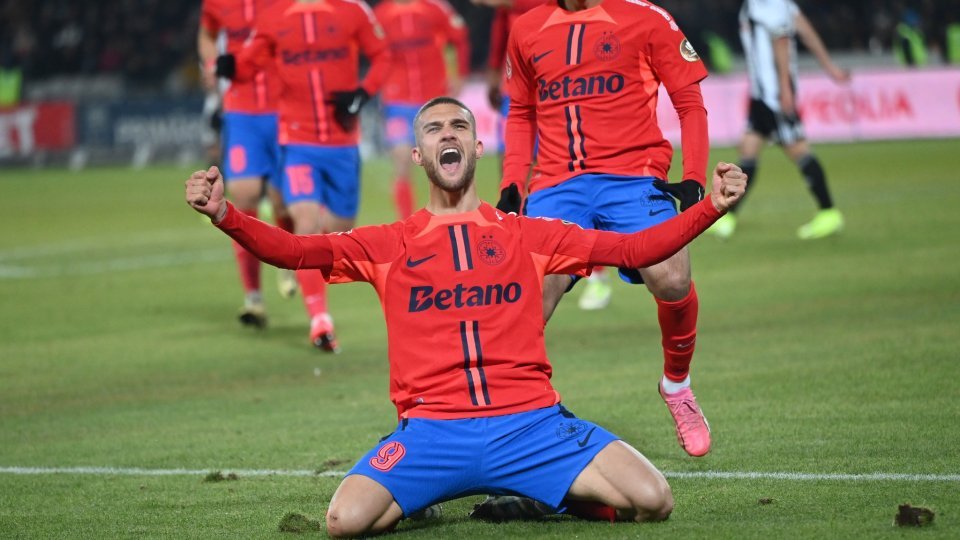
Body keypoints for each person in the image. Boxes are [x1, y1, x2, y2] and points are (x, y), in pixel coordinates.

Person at [185, 97, 747, 537]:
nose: (446, 135)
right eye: (433, 129)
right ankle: (419, 496)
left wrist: (710, 208)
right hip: (432, 433)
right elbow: (294, 251)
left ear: (478, 147)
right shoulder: (388, 244)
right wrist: (225, 214)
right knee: (345, 521)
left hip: (532, 424)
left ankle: (554, 503)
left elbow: (632, 251)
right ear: (418, 155)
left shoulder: (530, 234)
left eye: (458, 127)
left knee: (655, 501)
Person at [500, 0, 714, 457]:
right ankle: (515, 413)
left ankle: (677, 385)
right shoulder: (527, 28)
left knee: (673, 278)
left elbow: (690, 104)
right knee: (528, 298)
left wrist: (695, 178)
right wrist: (511, 184)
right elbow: (521, 113)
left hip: (632, 176)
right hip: (557, 184)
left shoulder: (647, 18)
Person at [215, 0, 392, 351]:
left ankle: (298, 257)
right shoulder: (274, 16)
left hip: (342, 144)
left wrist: (362, 93)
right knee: (307, 222)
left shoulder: (352, 10)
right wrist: (230, 66)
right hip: (296, 141)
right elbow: (249, 65)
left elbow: (383, 56)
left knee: (340, 225)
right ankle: (320, 321)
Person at [708, 0, 850, 240]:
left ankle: (829, 212)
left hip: (773, 96)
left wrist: (784, 89)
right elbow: (807, 32)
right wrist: (830, 68)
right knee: (748, 151)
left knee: (799, 150)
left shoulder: (767, 5)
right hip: (761, 96)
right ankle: (727, 217)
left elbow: (782, 42)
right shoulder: (779, 5)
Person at [199, 0, 297, 328]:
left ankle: (286, 259)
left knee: (284, 199)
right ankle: (253, 298)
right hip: (241, 112)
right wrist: (213, 63)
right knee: (243, 196)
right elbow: (207, 33)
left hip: (283, 107)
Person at [373, 0, 471, 219]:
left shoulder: (435, 8)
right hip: (397, 100)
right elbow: (373, 52)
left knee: (442, 161)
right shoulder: (381, 15)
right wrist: (377, 84)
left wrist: (461, 74)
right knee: (401, 160)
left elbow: (459, 38)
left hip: (433, 99)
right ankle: (408, 223)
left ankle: (450, 217)